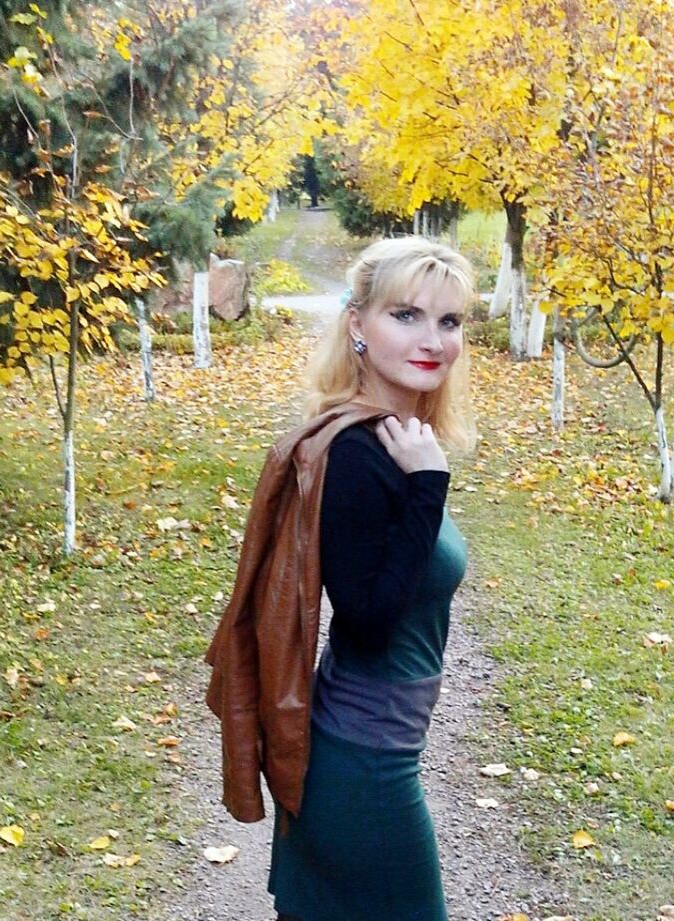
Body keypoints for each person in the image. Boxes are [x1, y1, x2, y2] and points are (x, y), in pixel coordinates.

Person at [267, 236, 478, 921]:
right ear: (357, 322)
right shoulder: (358, 452)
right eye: (406, 315)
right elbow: (365, 621)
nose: (433, 339)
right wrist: (428, 488)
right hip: (364, 767)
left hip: (374, 753)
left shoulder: (393, 436)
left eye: (448, 321)